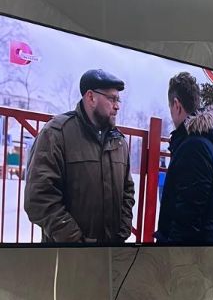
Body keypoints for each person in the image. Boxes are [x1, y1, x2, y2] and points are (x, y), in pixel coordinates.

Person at [24, 69, 134, 244]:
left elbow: (127, 190)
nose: (117, 106)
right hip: (67, 254)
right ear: (91, 97)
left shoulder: (118, 141)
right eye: (112, 99)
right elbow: (39, 198)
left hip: (111, 252)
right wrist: (75, 241)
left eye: (118, 100)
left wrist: (123, 230)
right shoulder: (57, 133)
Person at [155, 72, 213, 244]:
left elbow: (187, 221)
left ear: (176, 105)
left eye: (170, 108)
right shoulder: (206, 140)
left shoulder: (194, 148)